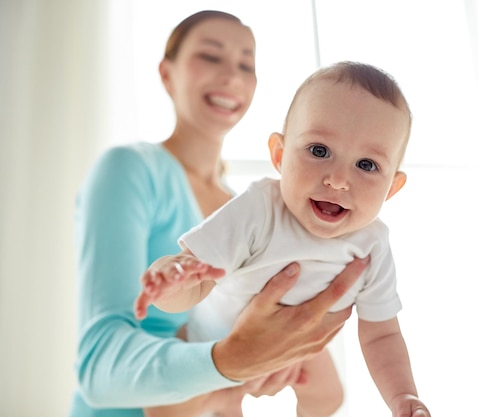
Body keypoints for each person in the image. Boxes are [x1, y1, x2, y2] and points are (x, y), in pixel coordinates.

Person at [70, 11, 369, 417]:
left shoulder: (254, 210)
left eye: (246, 64)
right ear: (166, 73)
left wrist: (274, 354)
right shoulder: (130, 170)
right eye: (211, 56)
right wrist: (231, 362)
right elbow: (98, 367)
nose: (232, 75)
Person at [134, 61, 431, 417]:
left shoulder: (373, 244)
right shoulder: (260, 208)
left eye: (366, 165)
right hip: (210, 342)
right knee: (166, 404)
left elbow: (382, 336)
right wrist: (171, 281)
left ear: (392, 188)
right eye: (319, 151)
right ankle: (223, 401)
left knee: (329, 397)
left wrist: (402, 397)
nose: (337, 180)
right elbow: (196, 280)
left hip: (297, 347)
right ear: (279, 155)